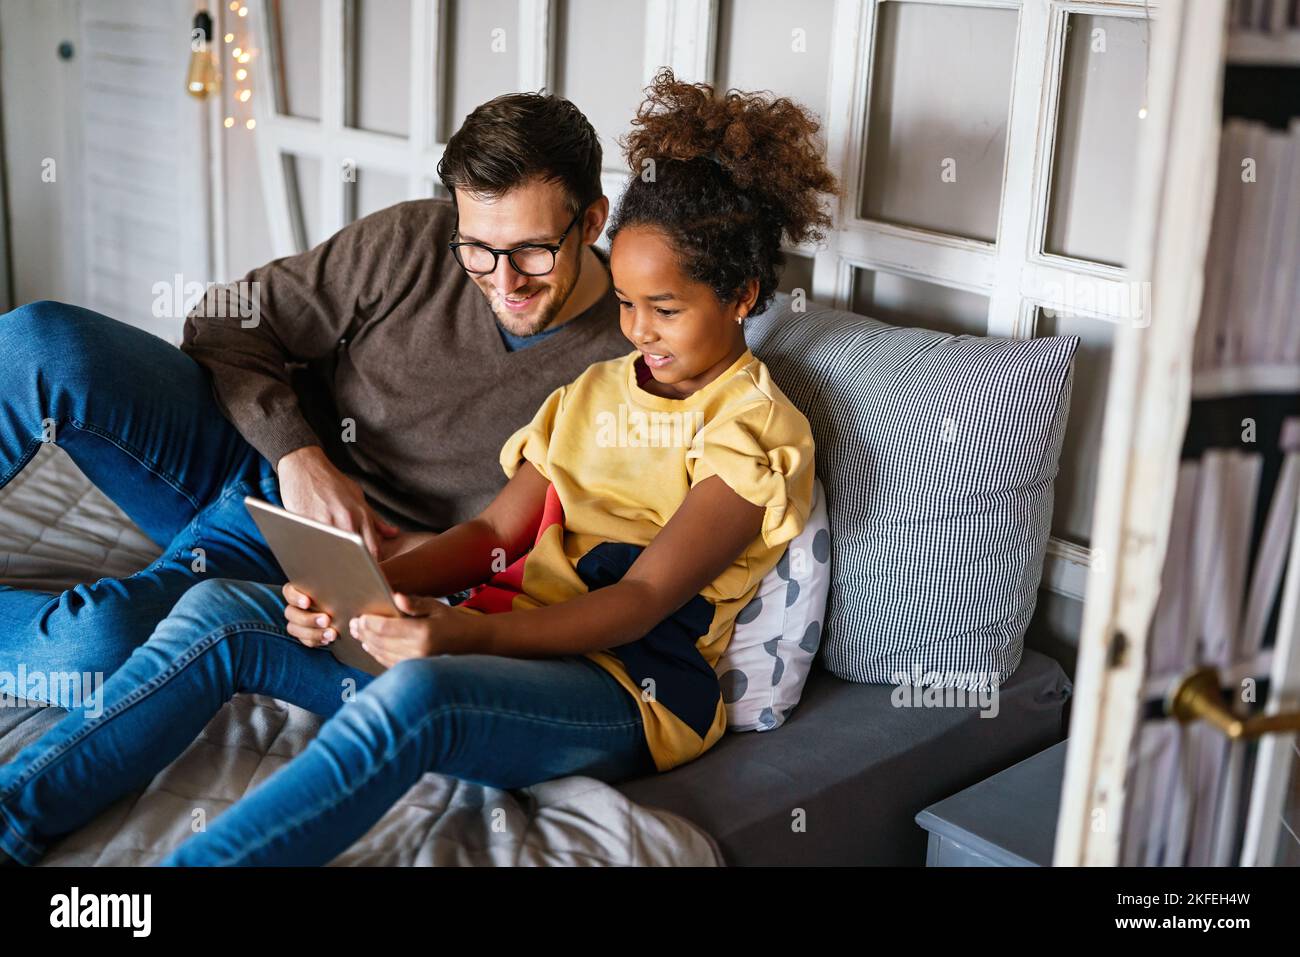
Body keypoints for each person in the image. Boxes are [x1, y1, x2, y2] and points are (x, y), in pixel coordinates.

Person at [0, 67, 837, 866]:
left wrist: (462, 627)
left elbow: (642, 599)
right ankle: (11, 817)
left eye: (662, 309)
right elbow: (491, 533)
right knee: (219, 608)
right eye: (628, 304)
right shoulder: (591, 389)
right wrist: (364, 580)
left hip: (626, 680)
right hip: (421, 582)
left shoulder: (751, 429)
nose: (639, 329)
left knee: (413, 694)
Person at [0, 90, 627, 688]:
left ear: (592, 221)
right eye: (478, 249)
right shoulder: (412, 242)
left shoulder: (629, 365)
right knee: (42, 340)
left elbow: (547, 557)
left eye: (532, 252)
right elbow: (229, 317)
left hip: (341, 559)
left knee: (96, 643)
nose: (503, 279)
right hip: (247, 452)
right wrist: (298, 455)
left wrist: (413, 556)